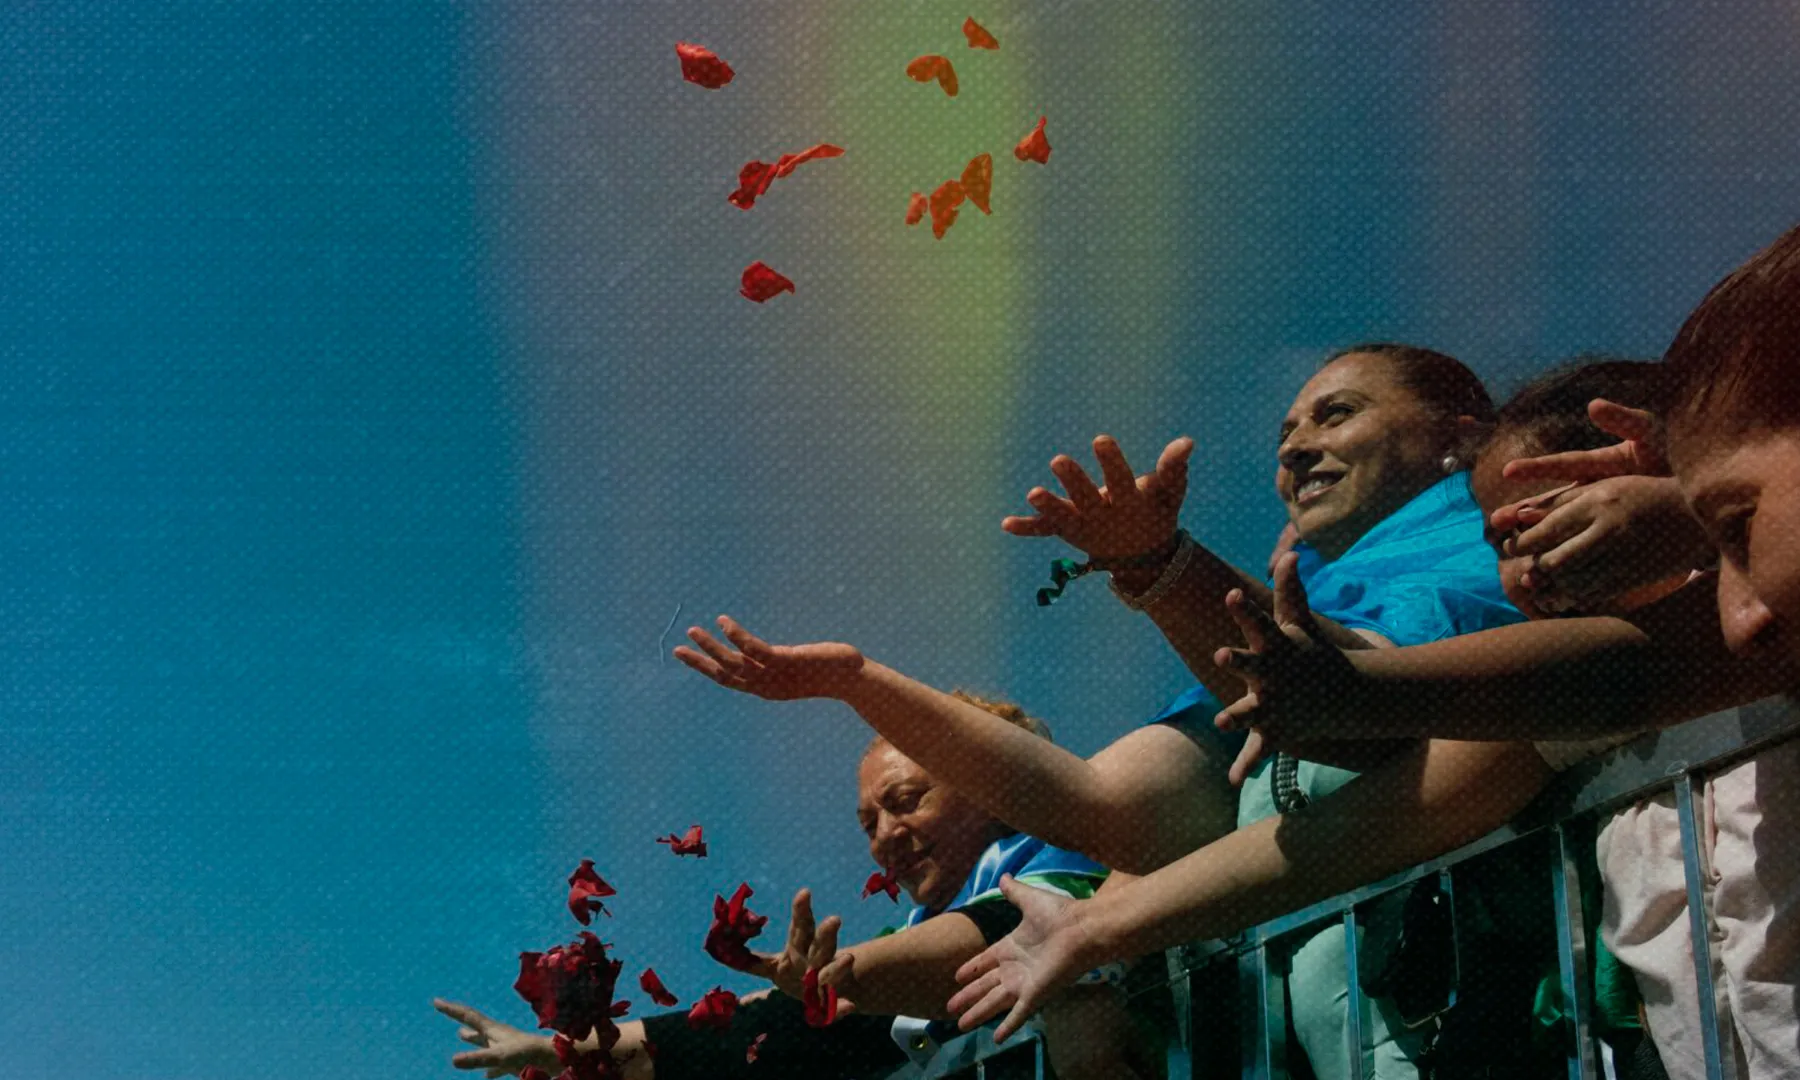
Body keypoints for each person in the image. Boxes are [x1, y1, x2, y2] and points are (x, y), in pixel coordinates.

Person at [949, 227, 1800, 1058]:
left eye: (1735, 521)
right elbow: (1368, 819)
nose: (1294, 446)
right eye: (1501, 539)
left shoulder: (1547, 603)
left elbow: (1397, 695)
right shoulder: (1581, 697)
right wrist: (1094, 926)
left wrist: (1683, 513)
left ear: (1456, 439)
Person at [684, 343, 1540, 1078]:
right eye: (1285, 437)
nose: (1296, 451)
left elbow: (1347, 702)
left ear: (1460, 434)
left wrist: (1160, 565)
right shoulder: (1297, 597)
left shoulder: (1498, 543)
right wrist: (859, 679)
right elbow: (1100, 804)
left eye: (1335, 415)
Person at [434, 694, 1150, 1080]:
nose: (883, 837)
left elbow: (1000, 939)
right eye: (867, 821)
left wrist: (838, 985)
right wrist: (559, 1049)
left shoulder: (1071, 855)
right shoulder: (908, 935)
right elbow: (756, 1029)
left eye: (906, 800)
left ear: (995, 781)